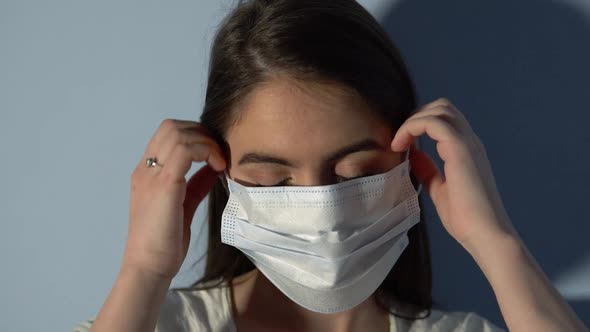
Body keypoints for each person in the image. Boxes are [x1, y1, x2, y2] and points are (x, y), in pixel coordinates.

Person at [74, 0, 589, 331]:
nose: (320, 209)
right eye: (275, 180)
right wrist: (142, 270)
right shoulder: (152, 323)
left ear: (406, 161)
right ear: (221, 173)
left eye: (356, 173)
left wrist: (495, 242)